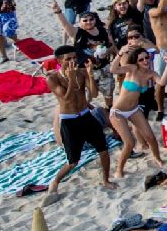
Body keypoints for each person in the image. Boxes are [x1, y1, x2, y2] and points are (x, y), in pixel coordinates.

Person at [43, 45, 115, 206]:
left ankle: (106, 179)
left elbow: (94, 94)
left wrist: (89, 76)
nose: (73, 61)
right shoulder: (52, 78)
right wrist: (70, 78)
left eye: (74, 58)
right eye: (68, 59)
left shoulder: (81, 72)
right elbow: (66, 99)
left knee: (103, 150)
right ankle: (55, 181)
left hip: (85, 116)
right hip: (69, 120)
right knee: (73, 161)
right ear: (59, 61)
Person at [107, 45, 167, 178]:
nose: (145, 61)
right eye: (141, 59)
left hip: (134, 109)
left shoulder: (150, 74)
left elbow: (162, 82)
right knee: (129, 143)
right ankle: (119, 169)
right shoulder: (132, 69)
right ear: (136, 61)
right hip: (118, 112)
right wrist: (119, 54)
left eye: (147, 58)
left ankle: (157, 158)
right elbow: (113, 69)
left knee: (151, 137)